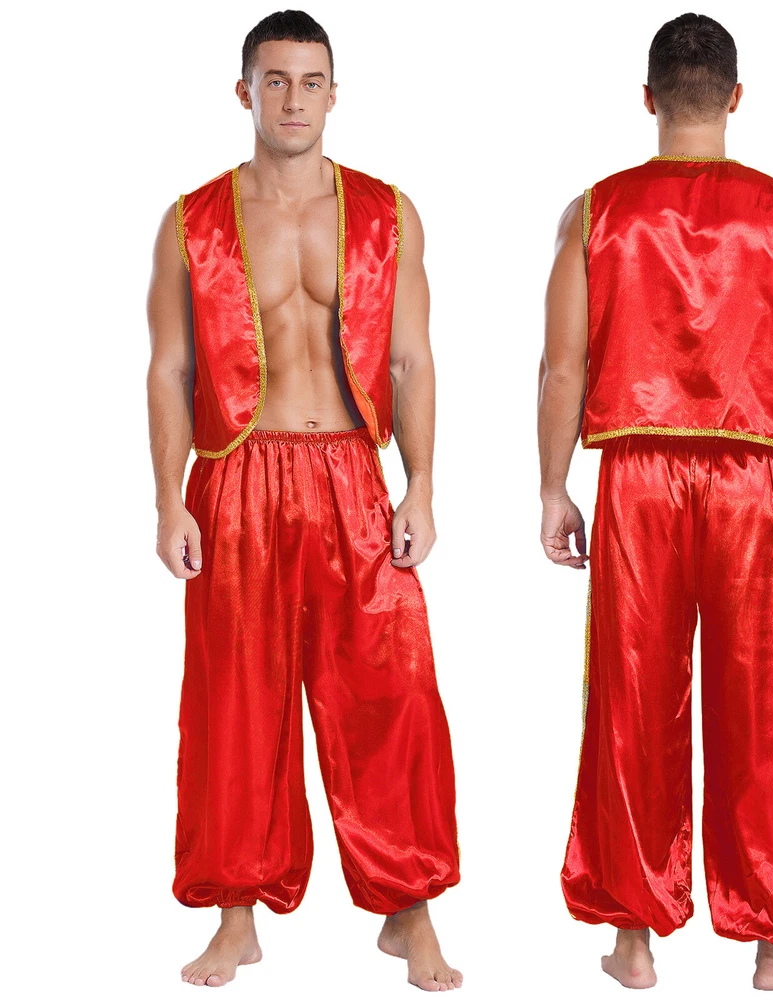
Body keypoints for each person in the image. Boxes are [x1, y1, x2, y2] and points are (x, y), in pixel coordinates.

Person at [146, 10, 461, 991]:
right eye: (275, 80)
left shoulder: (387, 212)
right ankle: (236, 914)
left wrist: (420, 485)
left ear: (334, 93)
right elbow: (169, 368)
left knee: (391, 696)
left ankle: (409, 910)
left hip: (352, 476)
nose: (293, 99)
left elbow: (410, 360)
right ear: (244, 92)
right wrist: (167, 500)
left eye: (310, 81)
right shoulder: (192, 219)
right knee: (237, 703)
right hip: (236, 476)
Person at [537, 12, 773, 991]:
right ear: (735, 97)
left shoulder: (594, 212)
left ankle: (633, 934)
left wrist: (553, 486)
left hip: (635, 477)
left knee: (631, 700)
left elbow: (561, 367)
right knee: (764, 705)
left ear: (648, 98)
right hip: (750, 478)